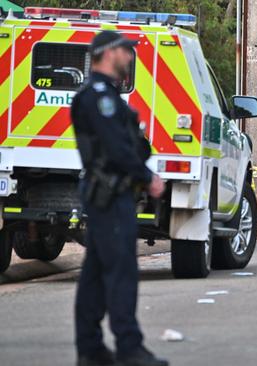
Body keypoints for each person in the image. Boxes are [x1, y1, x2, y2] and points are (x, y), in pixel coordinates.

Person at [71, 31, 167, 366]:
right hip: (110, 195)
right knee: (122, 271)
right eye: (126, 51)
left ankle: (90, 349)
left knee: (95, 274)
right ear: (108, 53)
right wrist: (147, 177)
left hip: (110, 195)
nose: (130, 56)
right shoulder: (99, 97)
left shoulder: (108, 95)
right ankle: (129, 348)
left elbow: (132, 143)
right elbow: (117, 147)